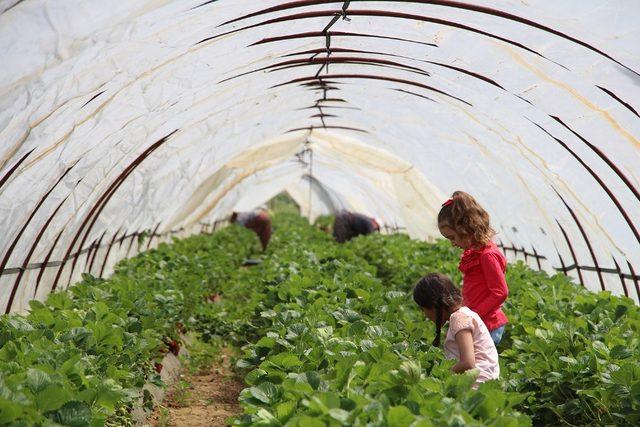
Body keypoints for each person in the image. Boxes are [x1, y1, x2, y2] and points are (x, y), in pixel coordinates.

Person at [437, 191, 508, 346]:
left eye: (452, 237)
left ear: (466, 228)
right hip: (480, 321)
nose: (453, 243)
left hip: (488, 324)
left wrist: (474, 315)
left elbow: (500, 292)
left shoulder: (487, 255)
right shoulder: (477, 253)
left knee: (477, 366)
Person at [413, 273, 499, 387]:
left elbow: (468, 363)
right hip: (484, 385)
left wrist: (441, 376)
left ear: (434, 304)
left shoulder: (458, 318)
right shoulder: (464, 314)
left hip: (476, 386)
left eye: (423, 309)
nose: (425, 315)